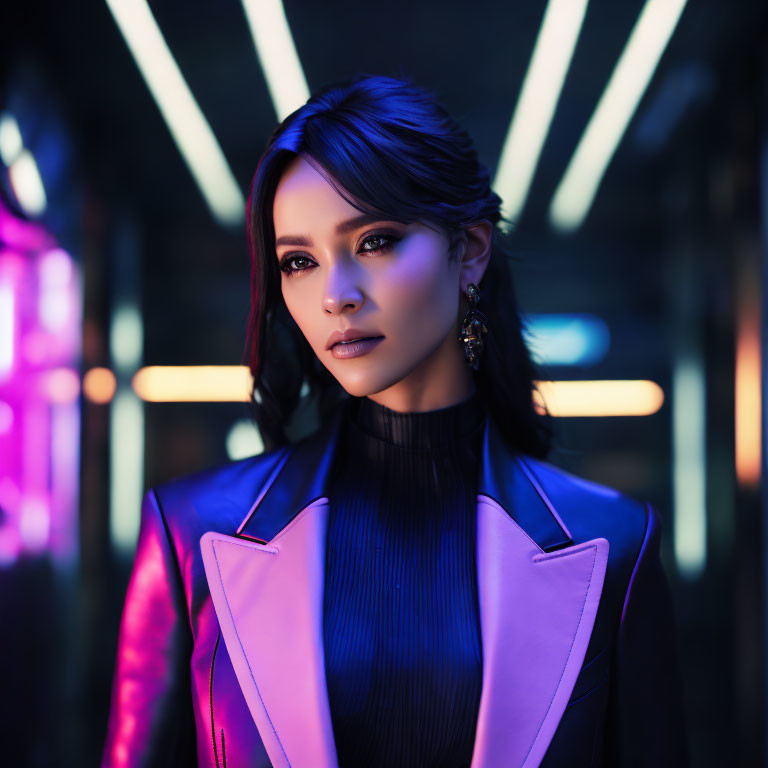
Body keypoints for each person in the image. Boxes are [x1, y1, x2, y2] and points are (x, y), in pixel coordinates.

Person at [100, 73, 690, 768]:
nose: (334, 295)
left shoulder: (613, 545)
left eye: (375, 242)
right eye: (298, 260)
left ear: (468, 250)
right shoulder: (191, 533)